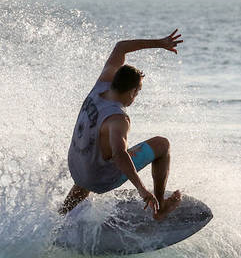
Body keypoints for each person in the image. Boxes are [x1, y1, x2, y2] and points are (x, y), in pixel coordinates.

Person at [60, 30, 184, 219]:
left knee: (97, 151)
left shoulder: (102, 83)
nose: (136, 97)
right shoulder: (118, 119)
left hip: (76, 167)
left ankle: (61, 213)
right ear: (132, 91)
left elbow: (121, 47)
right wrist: (142, 190)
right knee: (162, 144)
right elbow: (120, 155)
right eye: (137, 93)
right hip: (98, 180)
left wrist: (160, 43)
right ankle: (161, 209)